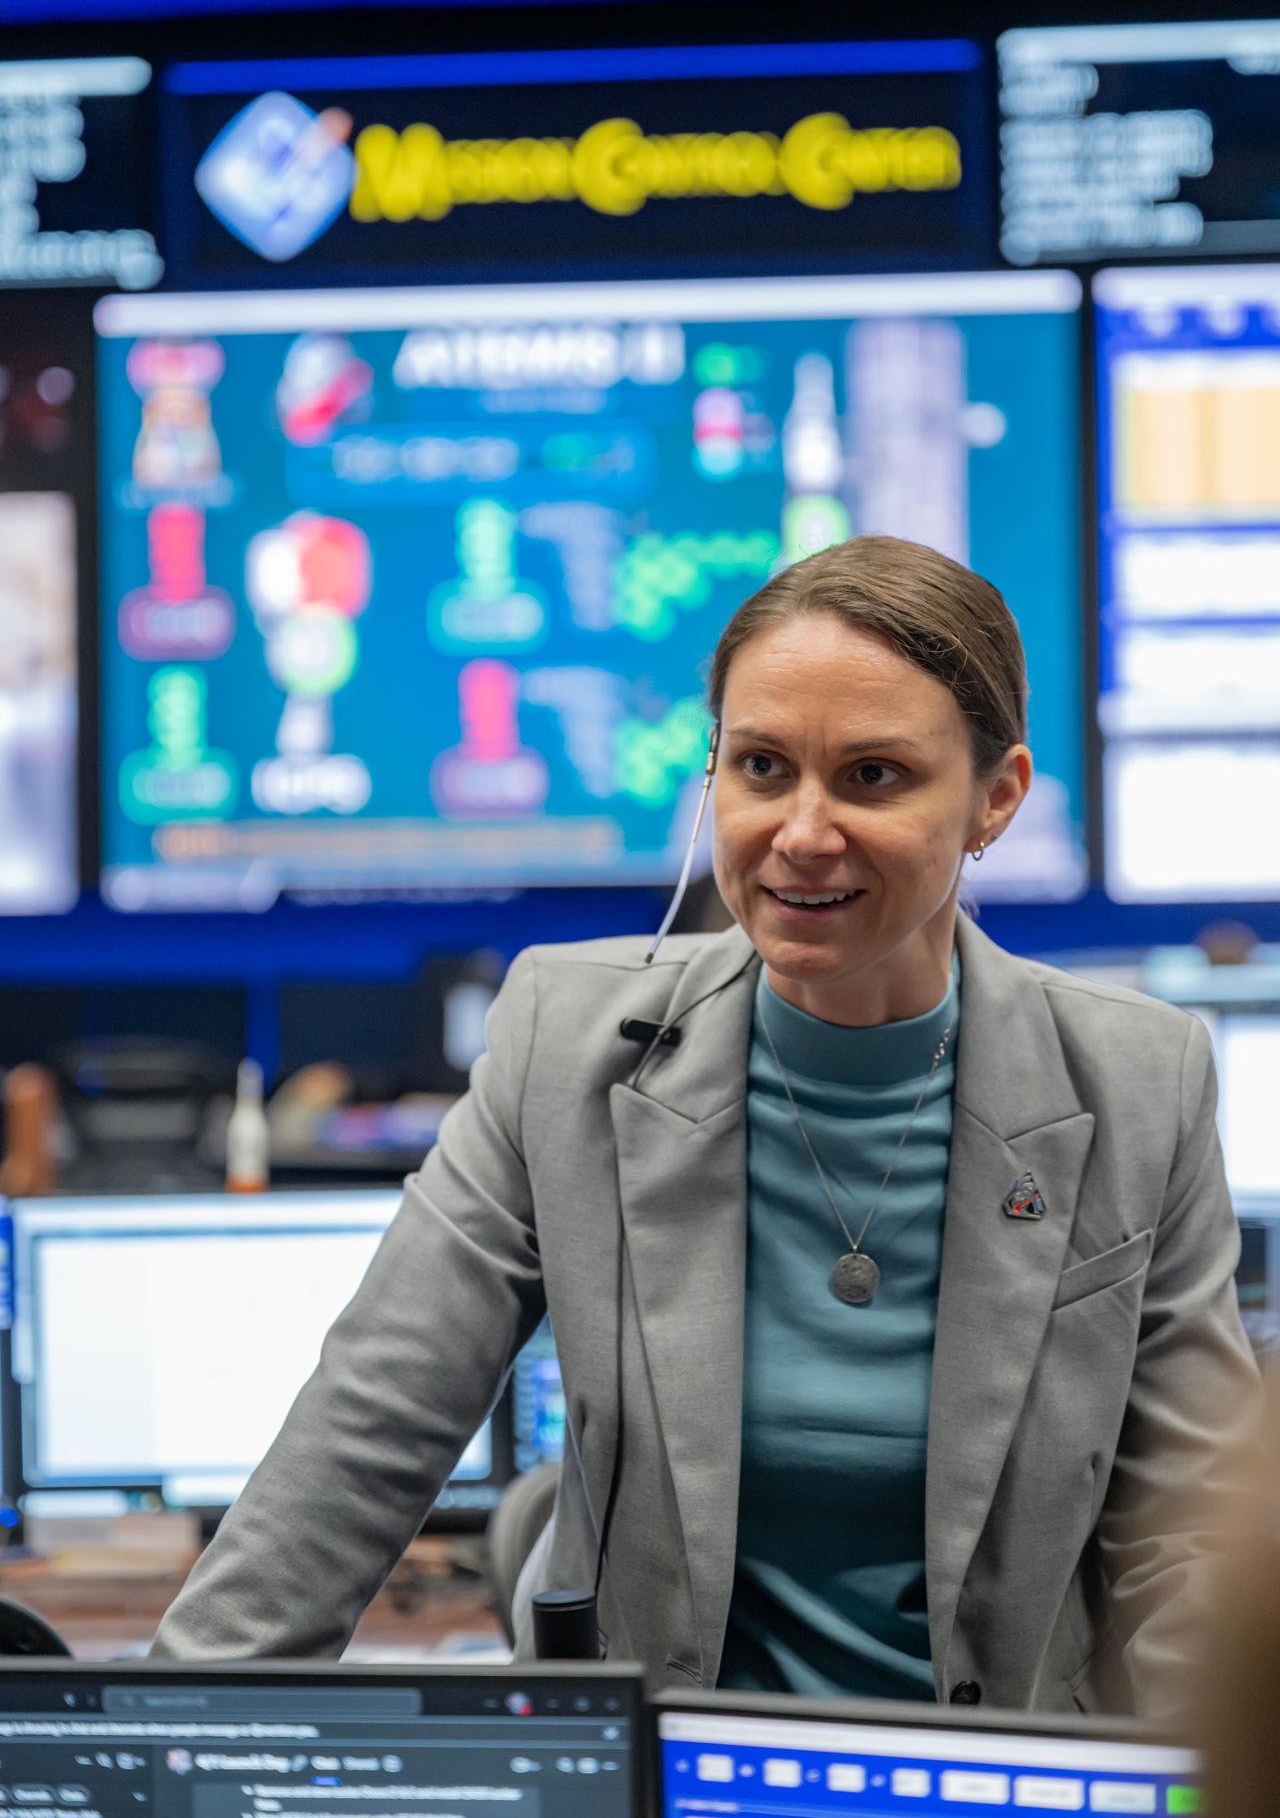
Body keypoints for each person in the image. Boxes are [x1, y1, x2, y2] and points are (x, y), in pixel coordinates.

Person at [152, 535, 1259, 1718]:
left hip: (1001, 1779)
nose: (802, 831)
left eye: (874, 776)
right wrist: (163, 1752)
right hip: (670, 1779)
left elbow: (1188, 1544)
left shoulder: (1135, 1079)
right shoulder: (564, 1042)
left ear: (995, 798)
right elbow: (364, 1437)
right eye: (762, 766)